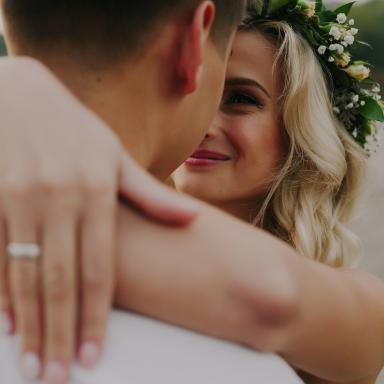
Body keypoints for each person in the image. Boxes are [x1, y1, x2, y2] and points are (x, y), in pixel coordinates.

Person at [1, 1, 384, 384]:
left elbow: (276, 297)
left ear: (302, 131)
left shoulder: (357, 302)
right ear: (193, 45)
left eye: (241, 99)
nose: (206, 125)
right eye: (207, 89)